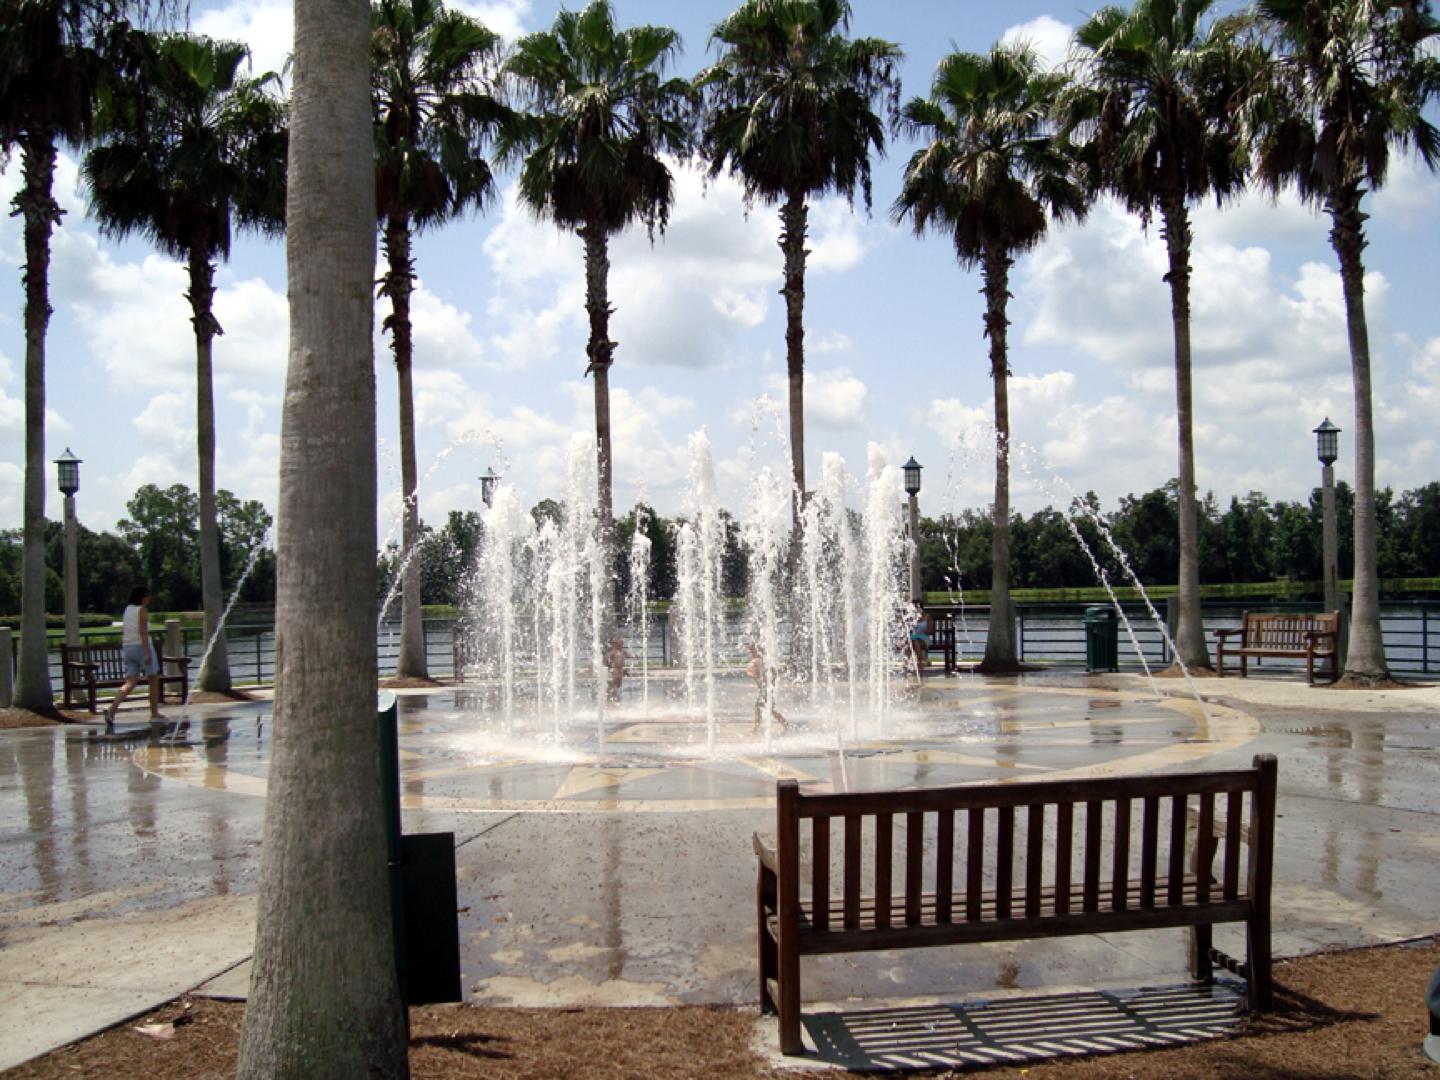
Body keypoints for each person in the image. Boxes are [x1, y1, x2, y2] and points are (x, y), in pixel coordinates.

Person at [106, 585, 168, 725]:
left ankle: (112, 708)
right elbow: (143, 632)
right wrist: (147, 653)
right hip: (141, 647)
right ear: (142, 597)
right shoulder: (142, 610)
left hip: (128, 647)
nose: (148, 599)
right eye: (147, 596)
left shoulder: (127, 610)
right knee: (153, 680)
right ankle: (154, 713)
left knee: (130, 682)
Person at [747, 642, 788, 733]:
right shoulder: (764, 660)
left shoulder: (755, 661)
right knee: (759, 707)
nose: (749, 654)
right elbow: (774, 671)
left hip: (763, 687)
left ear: (755, 651)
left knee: (767, 708)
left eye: (750, 651)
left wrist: (751, 674)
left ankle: (784, 723)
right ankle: (757, 726)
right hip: (767, 686)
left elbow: (751, 673)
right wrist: (772, 682)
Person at [908, 601, 934, 681]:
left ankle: (918, 664)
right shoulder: (911, 617)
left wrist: (923, 631)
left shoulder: (927, 617)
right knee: (910, 644)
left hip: (924, 638)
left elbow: (931, 631)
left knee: (916, 643)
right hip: (914, 638)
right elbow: (906, 629)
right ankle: (916, 663)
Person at [605, 635, 627, 701]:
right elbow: (608, 656)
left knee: (620, 678)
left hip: (620, 667)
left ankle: (618, 688)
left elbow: (627, 655)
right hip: (615, 667)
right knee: (616, 677)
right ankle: (614, 688)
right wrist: (608, 659)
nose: (621, 647)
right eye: (620, 645)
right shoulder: (613, 651)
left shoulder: (622, 651)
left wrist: (633, 656)